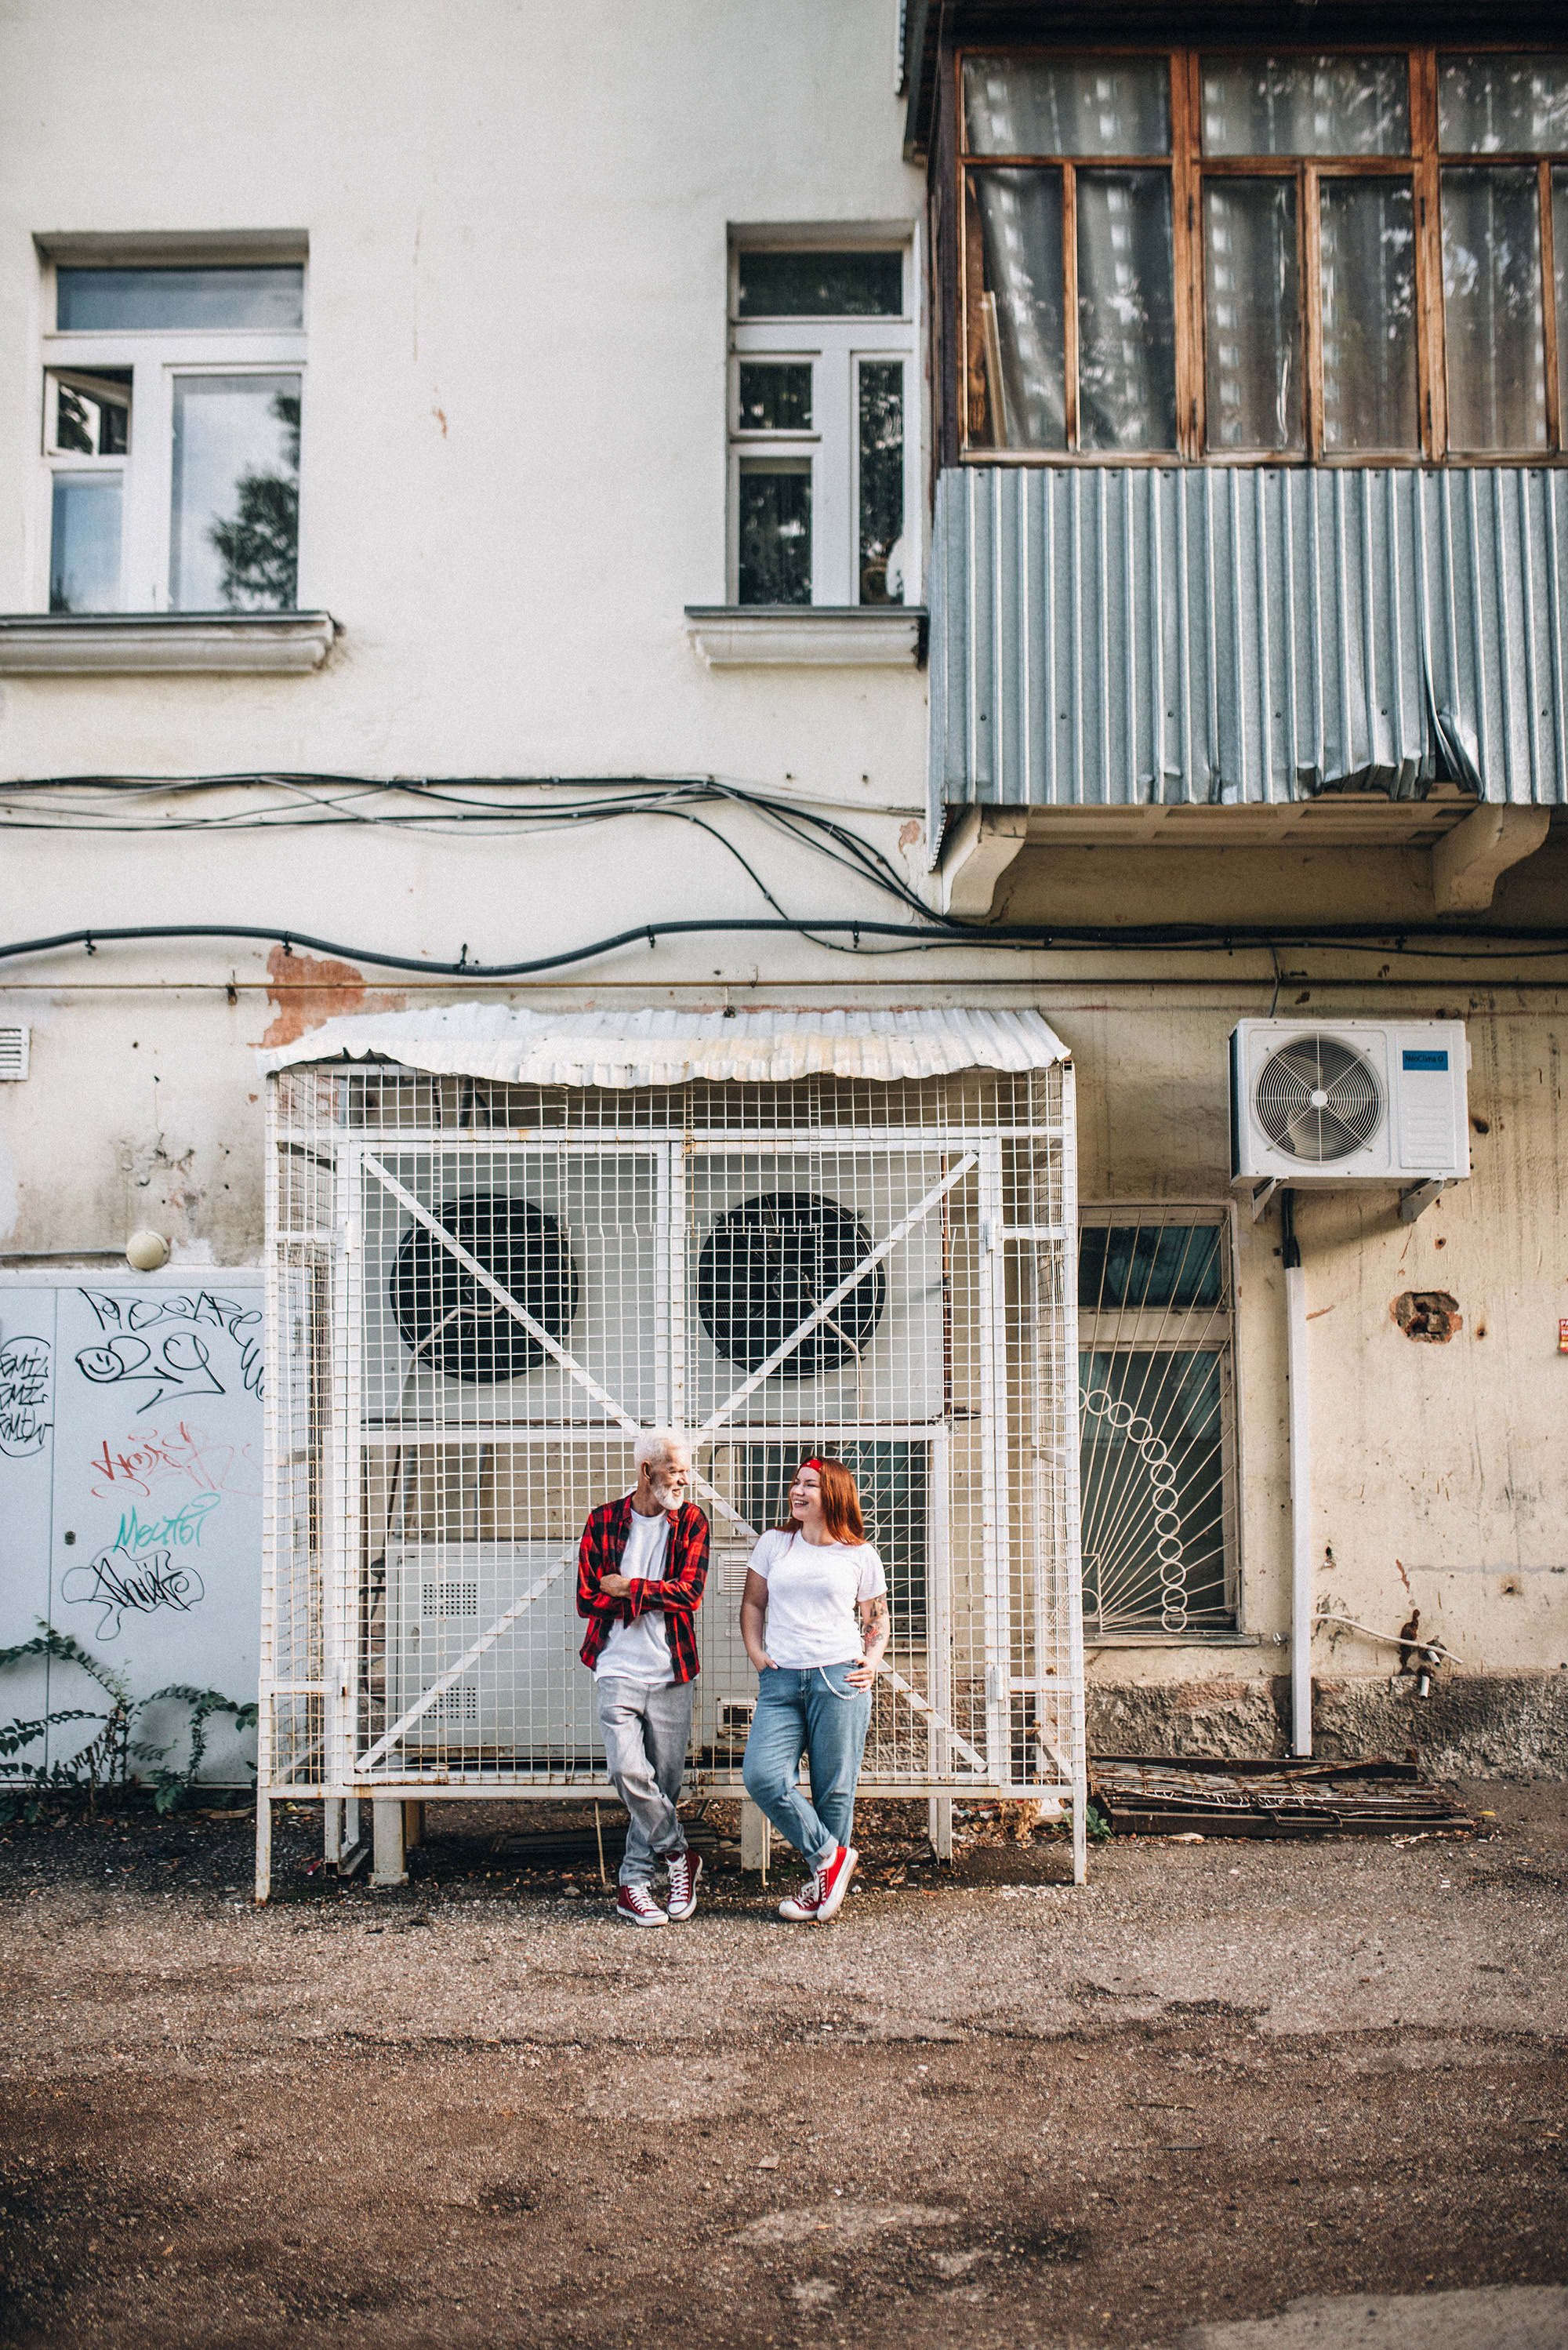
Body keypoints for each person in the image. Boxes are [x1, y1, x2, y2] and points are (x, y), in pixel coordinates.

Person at [739, 1457, 890, 1923]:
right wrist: (758, 1656)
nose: (797, 1491)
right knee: (763, 1776)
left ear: (834, 1496)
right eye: (796, 1483)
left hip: (839, 1678)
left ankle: (821, 1889)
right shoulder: (774, 1543)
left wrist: (873, 1660)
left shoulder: (859, 1554)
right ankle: (830, 1858)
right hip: (781, 1680)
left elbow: (876, 1617)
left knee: (834, 1791)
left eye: (810, 1485)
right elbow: (753, 1603)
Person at [576, 1428, 710, 1927]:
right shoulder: (603, 1521)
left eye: (686, 1471)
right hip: (616, 1666)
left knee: (663, 1784)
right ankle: (679, 1855)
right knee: (628, 1772)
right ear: (646, 1472)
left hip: (672, 1669)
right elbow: (587, 1598)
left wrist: (628, 1587)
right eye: (676, 1470)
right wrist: (654, 1593)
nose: (684, 1480)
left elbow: (690, 1593)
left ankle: (632, 1884)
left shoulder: (692, 1521)